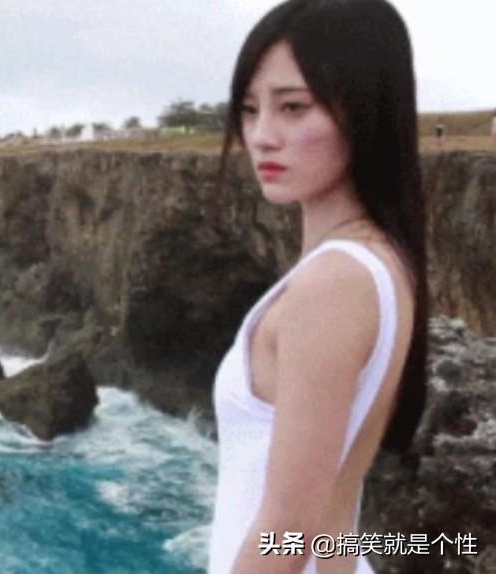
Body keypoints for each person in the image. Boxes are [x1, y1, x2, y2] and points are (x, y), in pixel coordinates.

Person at [207, 0, 428, 572]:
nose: (261, 136)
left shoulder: (334, 284)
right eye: (250, 109)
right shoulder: (379, 260)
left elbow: (288, 532)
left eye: (294, 107)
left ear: (365, 109)